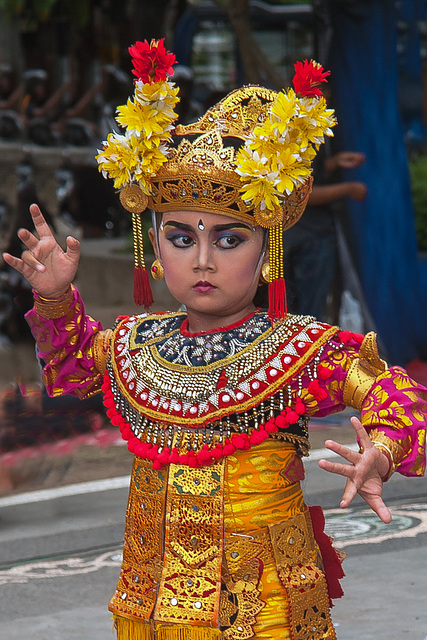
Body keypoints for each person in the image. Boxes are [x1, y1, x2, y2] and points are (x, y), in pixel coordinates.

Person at [3, 41, 426, 640]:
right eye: (180, 238)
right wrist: (52, 299)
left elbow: (395, 391)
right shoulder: (134, 345)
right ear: (153, 245)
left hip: (266, 608)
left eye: (229, 240)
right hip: (152, 606)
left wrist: (380, 450)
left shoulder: (300, 348)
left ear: (266, 247)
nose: (202, 260)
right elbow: (72, 372)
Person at [284, 145, 367, 321]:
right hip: (309, 237)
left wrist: (334, 162)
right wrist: (349, 189)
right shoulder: (290, 132)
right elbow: (300, 194)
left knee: (298, 315)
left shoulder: (300, 133)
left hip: (299, 237)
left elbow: (309, 172)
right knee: (308, 316)